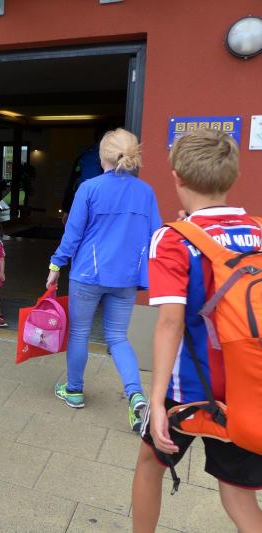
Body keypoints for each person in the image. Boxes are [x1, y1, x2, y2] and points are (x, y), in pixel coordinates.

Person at [132, 128, 262, 532]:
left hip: (187, 388)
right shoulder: (259, 231)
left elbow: (170, 322)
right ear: (232, 177)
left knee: (150, 465)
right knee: (239, 496)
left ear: (176, 176)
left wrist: (155, 400)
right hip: (248, 384)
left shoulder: (172, 239)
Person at [46, 128, 161, 432]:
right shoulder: (146, 192)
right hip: (126, 279)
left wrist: (56, 264)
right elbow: (156, 237)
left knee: (79, 333)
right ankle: (136, 396)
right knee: (118, 337)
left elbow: (73, 235)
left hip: (88, 274)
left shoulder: (89, 188)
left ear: (102, 157)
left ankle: (73, 390)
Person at [62, 141, 103, 225]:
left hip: (81, 205)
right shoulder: (112, 158)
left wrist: (67, 210)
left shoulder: (84, 156)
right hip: (100, 208)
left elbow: (72, 184)